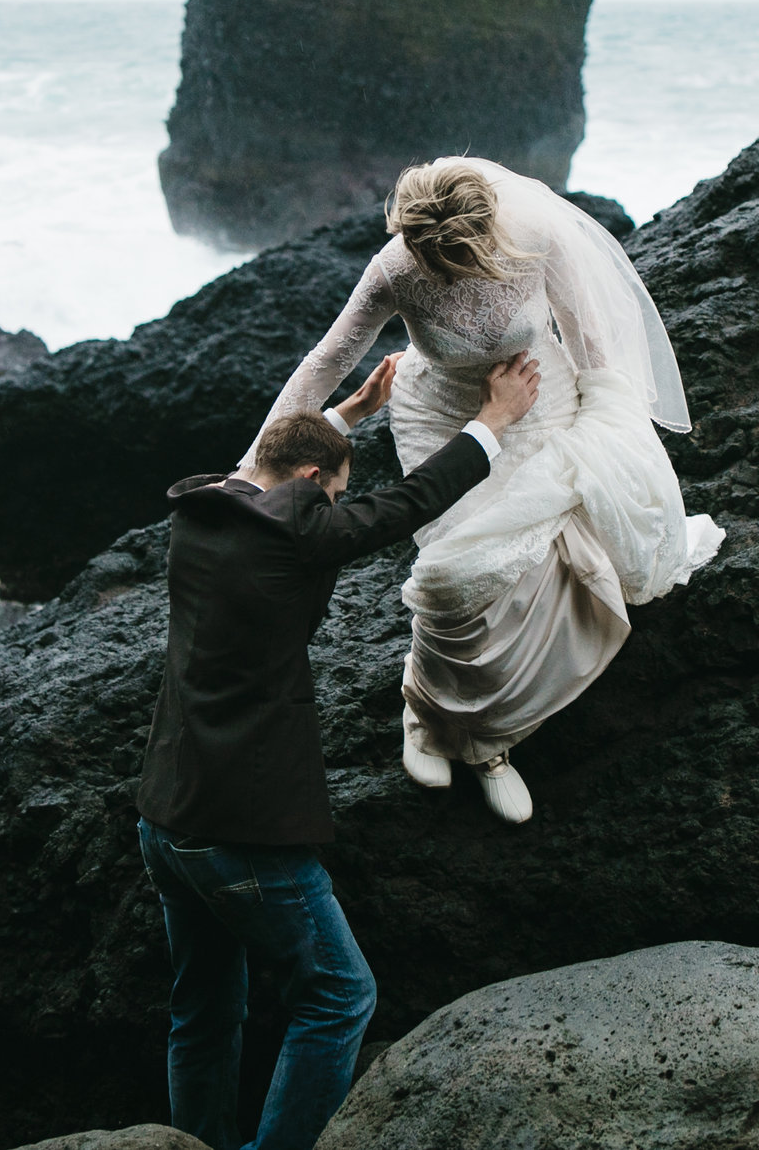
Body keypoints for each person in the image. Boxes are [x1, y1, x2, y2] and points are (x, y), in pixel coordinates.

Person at [137, 351, 541, 1150]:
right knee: (338, 996)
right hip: (240, 830)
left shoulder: (202, 510)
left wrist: (349, 414)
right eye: (335, 491)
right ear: (315, 480)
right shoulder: (298, 534)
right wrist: (492, 422)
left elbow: (269, 459)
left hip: (164, 819)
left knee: (205, 1010)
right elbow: (409, 502)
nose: (336, 505)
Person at [248, 156, 724, 825]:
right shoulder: (394, 267)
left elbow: (589, 338)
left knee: (539, 566)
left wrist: (605, 424)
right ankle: (426, 712)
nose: (439, 274)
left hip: (539, 397)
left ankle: (489, 741)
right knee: (456, 575)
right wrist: (256, 466)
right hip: (439, 415)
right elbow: (327, 359)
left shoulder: (537, 237)